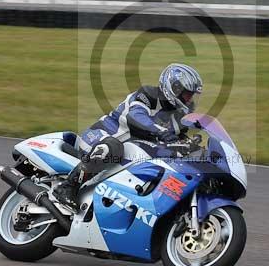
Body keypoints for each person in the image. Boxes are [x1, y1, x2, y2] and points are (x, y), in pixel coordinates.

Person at [53, 63, 203, 209]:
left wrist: (191, 146)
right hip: (100, 137)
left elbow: (177, 140)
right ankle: (68, 187)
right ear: (174, 88)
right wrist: (161, 132)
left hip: (129, 153)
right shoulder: (149, 95)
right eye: (186, 95)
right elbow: (135, 116)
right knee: (113, 147)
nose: (189, 100)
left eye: (191, 96)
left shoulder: (178, 115)